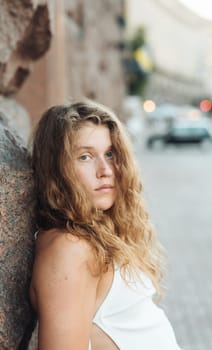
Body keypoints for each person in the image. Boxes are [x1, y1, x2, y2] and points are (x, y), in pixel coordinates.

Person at [29, 100, 182, 349]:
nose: (106, 170)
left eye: (110, 154)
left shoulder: (95, 232)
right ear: (57, 168)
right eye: (85, 156)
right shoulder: (70, 250)